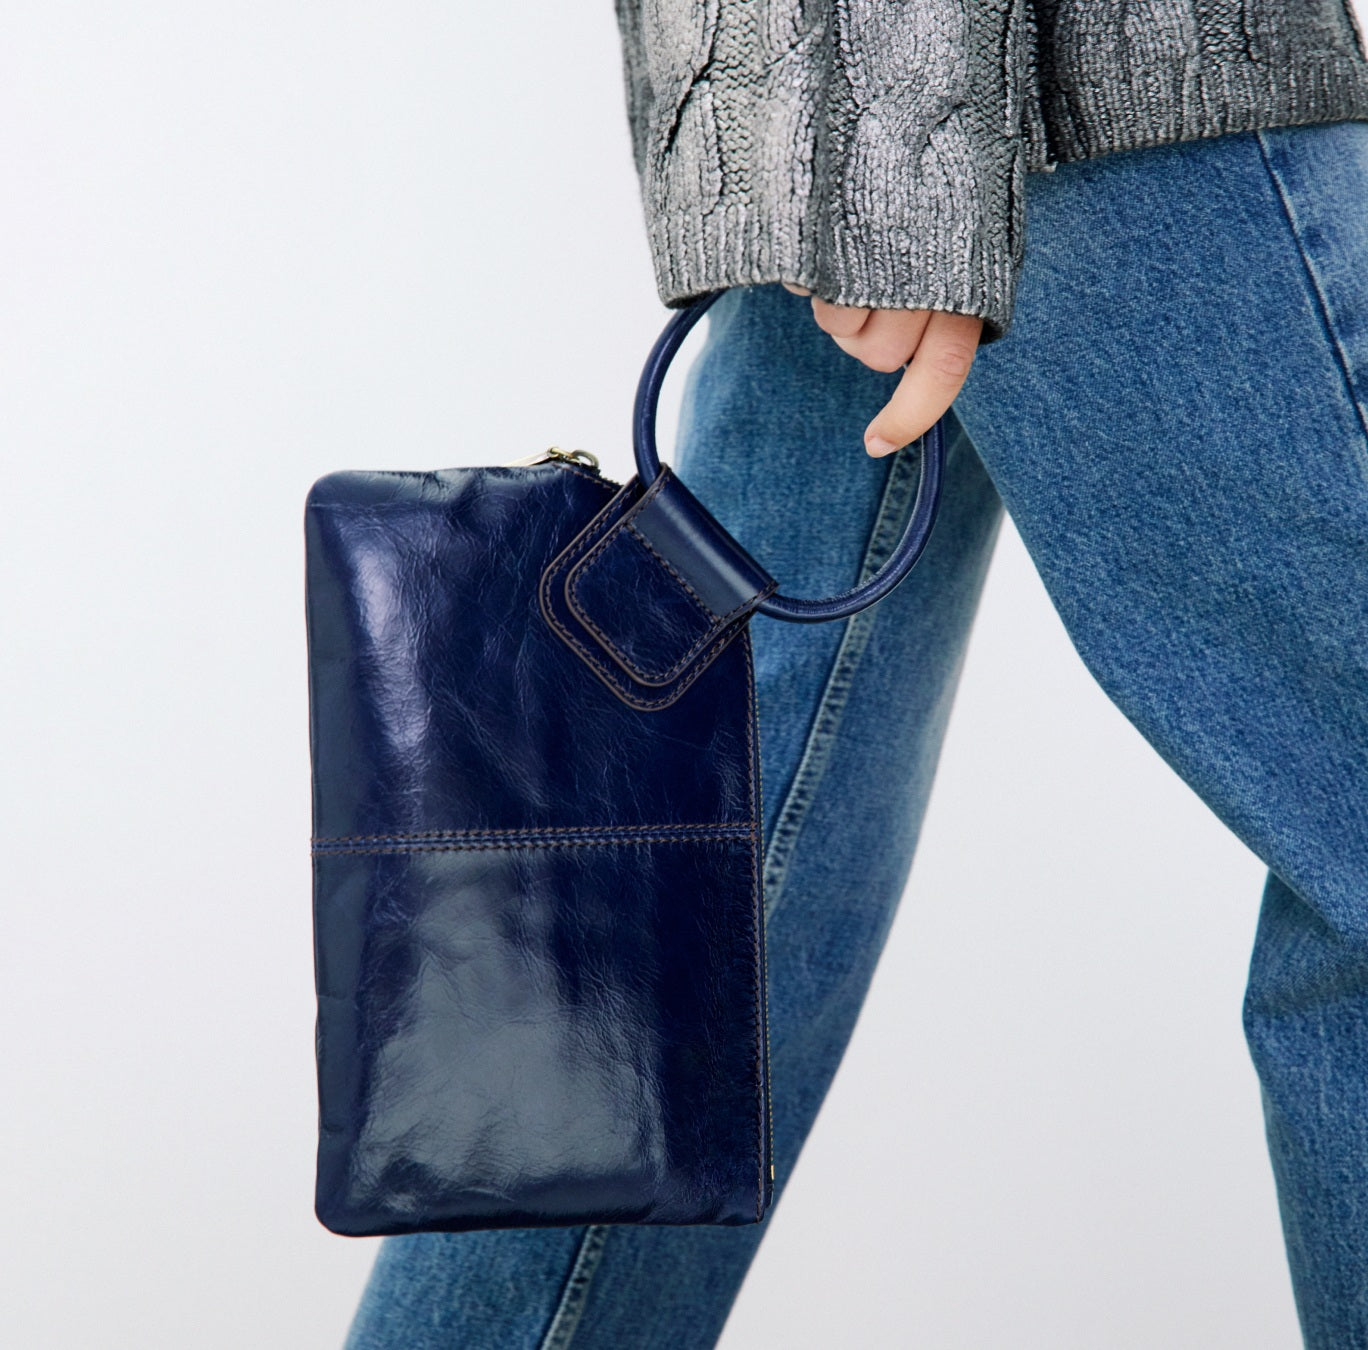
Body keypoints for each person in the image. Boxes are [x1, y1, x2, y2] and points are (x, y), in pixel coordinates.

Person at [343, 4, 1368, 1346]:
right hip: (1061, 76)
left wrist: (877, 150)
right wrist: (901, 158)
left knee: (698, 897)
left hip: (875, 90)